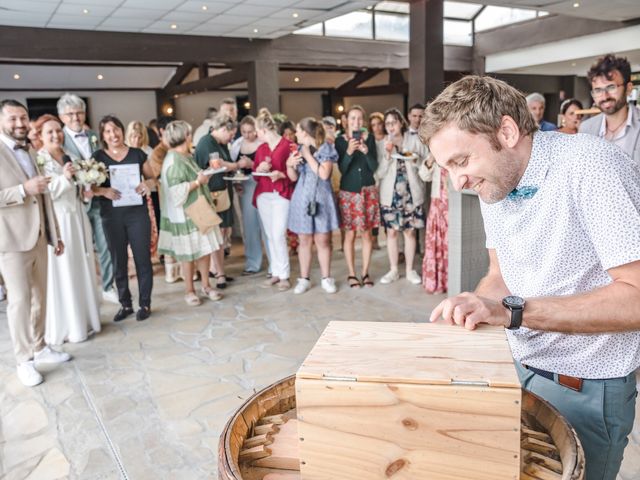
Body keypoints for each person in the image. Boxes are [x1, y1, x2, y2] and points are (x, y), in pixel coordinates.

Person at [425, 75, 640, 480]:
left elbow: (636, 296)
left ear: (506, 131)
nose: (458, 182)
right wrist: (473, 306)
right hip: (517, 366)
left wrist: (513, 313)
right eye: (447, 169)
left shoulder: (591, 165)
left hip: (586, 383)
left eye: (461, 162)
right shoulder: (497, 181)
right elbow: (502, 277)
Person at [0, 99, 69, 387]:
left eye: (23, 118)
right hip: (12, 240)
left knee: (41, 295)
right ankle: (23, 360)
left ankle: (40, 347)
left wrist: (54, 233)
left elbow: (43, 193)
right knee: (19, 301)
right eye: (12, 119)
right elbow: (26, 190)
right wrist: (21, 190)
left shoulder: (30, 149)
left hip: (40, 234)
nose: (19, 124)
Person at [34, 114, 100, 344]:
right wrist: (64, 178)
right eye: (50, 132)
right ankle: (69, 326)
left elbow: (76, 187)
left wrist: (85, 189)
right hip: (58, 219)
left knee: (82, 264)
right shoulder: (38, 160)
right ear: (40, 136)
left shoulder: (69, 156)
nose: (55, 135)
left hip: (77, 216)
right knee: (64, 268)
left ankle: (85, 319)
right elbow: (46, 192)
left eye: (58, 131)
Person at [93, 115, 154, 322]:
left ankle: (144, 303)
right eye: (108, 131)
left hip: (137, 215)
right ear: (103, 135)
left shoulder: (138, 154)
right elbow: (89, 189)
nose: (113, 134)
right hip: (111, 216)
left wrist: (148, 185)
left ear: (122, 130)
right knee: (118, 260)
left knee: (142, 259)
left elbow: (153, 178)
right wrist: (103, 191)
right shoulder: (97, 157)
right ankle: (125, 303)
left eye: (116, 129)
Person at [57, 93, 117, 303]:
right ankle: (84, 291)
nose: (75, 117)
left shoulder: (93, 135)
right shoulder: (59, 138)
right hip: (74, 204)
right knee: (80, 249)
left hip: (99, 201)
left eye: (79, 112)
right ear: (62, 117)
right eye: (70, 114)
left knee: (106, 245)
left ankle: (108, 286)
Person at [157, 120, 223, 306]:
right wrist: (197, 183)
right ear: (186, 136)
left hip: (198, 209)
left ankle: (206, 285)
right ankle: (189, 290)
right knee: (188, 254)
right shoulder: (173, 160)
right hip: (186, 213)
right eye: (189, 134)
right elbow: (175, 191)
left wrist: (205, 174)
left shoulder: (185, 155)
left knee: (204, 250)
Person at [286, 117, 340, 295]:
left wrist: (308, 155)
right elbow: (293, 177)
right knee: (304, 240)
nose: (296, 134)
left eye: (299, 131)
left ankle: (326, 278)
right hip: (302, 197)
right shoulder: (298, 150)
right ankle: (304, 279)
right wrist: (289, 165)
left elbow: (324, 174)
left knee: (323, 240)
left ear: (306, 132)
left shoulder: (325, 148)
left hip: (322, 198)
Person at [377, 108, 428, 286]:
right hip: (390, 195)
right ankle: (393, 270)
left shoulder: (413, 139)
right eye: (387, 123)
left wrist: (414, 159)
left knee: (410, 232)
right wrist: (387, 155)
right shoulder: (383, 143)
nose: (390, 126)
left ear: (401, 123)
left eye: (394, 122)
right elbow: (380, 173)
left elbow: (425, 163)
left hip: (411, 193)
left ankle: (409, 270)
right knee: (391, 232)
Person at [194, 113, 244, 289]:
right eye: (231, 134)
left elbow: (225, 165)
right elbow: (219, 165)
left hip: (223, 192)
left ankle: (218, 270)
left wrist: (233, 174)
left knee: (222, 235)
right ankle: (218, 273)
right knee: (216, 235)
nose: (232, 138)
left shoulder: (219, 143)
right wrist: (237, 165)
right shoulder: (207, 142)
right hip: (213, 196)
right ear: (223, 129)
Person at [335, 105, 379, 288]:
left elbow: (374, 167)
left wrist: (366, 152)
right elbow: (342, 170)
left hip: (368, 192)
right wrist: (349, 152)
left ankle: (365, 272)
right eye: (353, 118)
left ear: (364, 121)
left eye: (360, 119)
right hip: (349, 193)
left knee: (367, 234)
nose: (356, 122)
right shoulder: (340, 141)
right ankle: (352, 274)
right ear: (346, 120)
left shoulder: (369, 140)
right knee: (350, 234)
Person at [253, 108, 295, 291]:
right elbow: (255, 176)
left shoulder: (287, 145)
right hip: (264, 195)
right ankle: (276, 272)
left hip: (281, 194)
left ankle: (284, 275)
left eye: (257, 131)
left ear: (263, 130)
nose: (256, 134)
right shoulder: (261, 149)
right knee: (270, 236)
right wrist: (260, 168)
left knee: (279, 234)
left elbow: (295, 172)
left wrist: (281, 174)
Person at [580, 54, 640, 163]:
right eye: (598, 90)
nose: (605, 96)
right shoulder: (586, 129)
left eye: (611, 87)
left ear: (628, 88)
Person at [229, 115, 270, 275]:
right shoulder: (237, 145)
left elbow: (268, 166)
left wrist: (251, 164)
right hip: (245, 186)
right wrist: (236, 182)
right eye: (244, 132)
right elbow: (234, 169)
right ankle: (253, 263)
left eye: (250, 131)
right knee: (250, 226)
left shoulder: (263, 144)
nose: (247, 135)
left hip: (262, 184)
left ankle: (275, 264)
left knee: (266, 224)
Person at [126, 120, 159, 258]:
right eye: (133, 136)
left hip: (147, 195)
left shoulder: (148, 152)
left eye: (139, 136)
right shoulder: (124, 150)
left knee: (148, 227)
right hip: (128, 195)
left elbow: (153, 177)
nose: (136, 140)